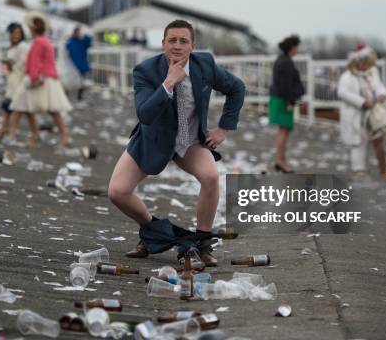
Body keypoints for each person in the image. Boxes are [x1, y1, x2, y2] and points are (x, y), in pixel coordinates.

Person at [107, 19, 245, 268]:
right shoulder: (145, 71)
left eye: (183, 41)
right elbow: (145, 114)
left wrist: (224, 128)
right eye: (172, 40)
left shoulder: (205, 64)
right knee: (117, 192)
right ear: (163, 44)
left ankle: (202, 245)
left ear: (193, 45)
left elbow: (237, 88)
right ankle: (155, 231)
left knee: (211, 178)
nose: (177, 46)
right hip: (154, 140)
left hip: (190, 141)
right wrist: (168, 82)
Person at [8, 13, 72, 148]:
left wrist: (32, 78)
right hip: (49, 79)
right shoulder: (46, 41)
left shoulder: (38, 42)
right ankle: (61, 135)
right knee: (50, 110)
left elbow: (35, 63)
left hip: (40, 79)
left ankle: (16, 135)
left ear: (32, 29)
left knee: (20, 105)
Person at [337, 47, 386, 178]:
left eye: (366, 62)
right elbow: (342, 93)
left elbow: (379, 87)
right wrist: (361, 102)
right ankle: (358, 170)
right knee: (358, 142)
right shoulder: (347, 76)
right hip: (356, 114)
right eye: (362, 62)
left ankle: (383, 170)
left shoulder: (371, 74)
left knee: (378, 141)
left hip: (372, 114)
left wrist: (381, 94)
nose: (364, 65)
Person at [269, 35, 304, 173]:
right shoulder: (286, 62)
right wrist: (290, 101)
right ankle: (281, 161)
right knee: (284, 131)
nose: (297, 50)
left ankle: (280, 160)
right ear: (292, 48)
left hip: (279, 98)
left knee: (282, 131)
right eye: (296, 47)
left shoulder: (281, 60)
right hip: (283, 100)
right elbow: (286, 85)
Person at [0, 23, 29, 140]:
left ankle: (10, 132)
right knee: (9, 106)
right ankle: (6, 129)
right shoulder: (13, 47)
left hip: (20, 80)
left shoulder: (23, 46)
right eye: (14, 33)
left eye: (18, 33)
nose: (16, 35)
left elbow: (24, 63)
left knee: (15, 107)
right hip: (12, 79)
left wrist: (11, 63)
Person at [65, 26, 93, 100]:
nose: (78, 34)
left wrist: (85, 33)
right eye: (77, 32)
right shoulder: (70, 42)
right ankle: (67, 95)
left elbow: (89, 40)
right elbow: (65, 52)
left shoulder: (82, 42)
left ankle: (79, 96)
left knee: (81, 81)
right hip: (72, 65)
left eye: (79, 32)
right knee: (69, 81)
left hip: (81, 65)